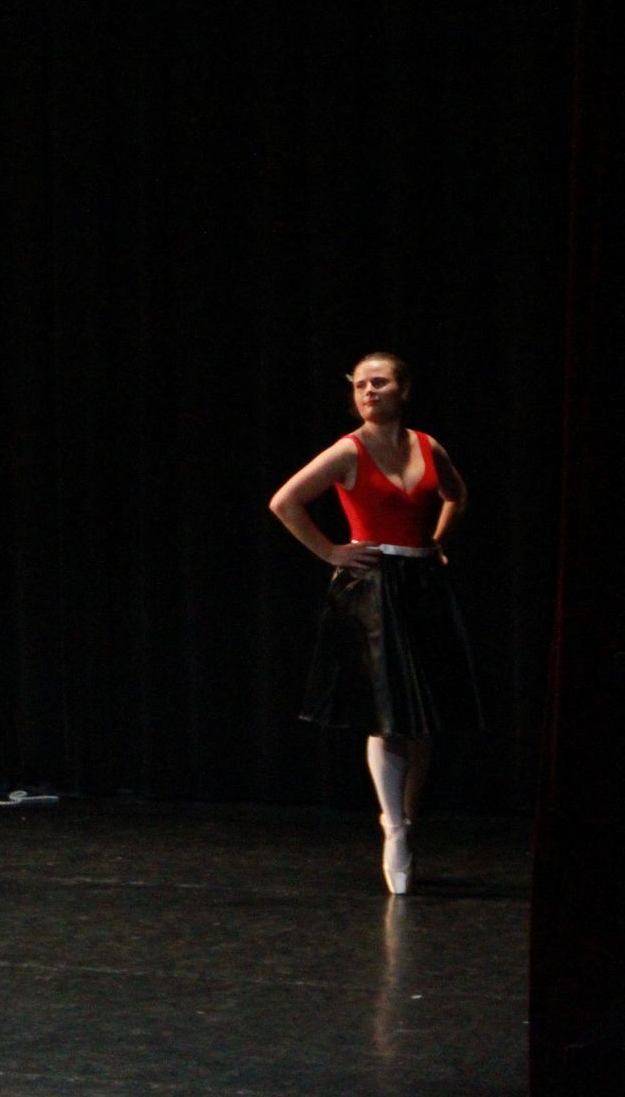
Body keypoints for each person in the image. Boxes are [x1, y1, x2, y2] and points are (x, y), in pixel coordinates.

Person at [269, 352, 480, 895]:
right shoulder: (348, 449)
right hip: (372, 588)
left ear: (402, 389)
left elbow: (456, 494)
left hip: (421, 584)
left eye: (379, 383)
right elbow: (285, 502)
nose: (368, 391)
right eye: (360, 385)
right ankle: (393, 827)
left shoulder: (427, 446)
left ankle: (409, 820)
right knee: (387, 714)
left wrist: (436, 541)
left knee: (423, 716)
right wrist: (332, 552)